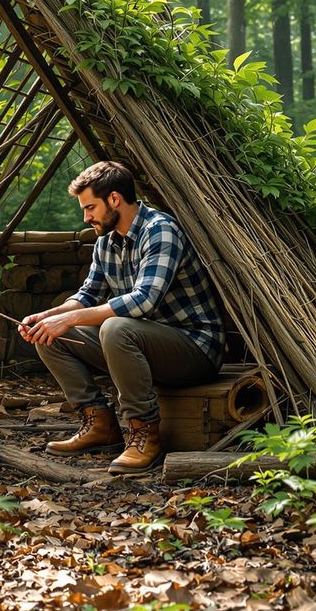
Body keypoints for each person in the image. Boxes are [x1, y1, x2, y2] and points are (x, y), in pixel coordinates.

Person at [18, 161, 225, 475]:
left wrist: (71, 320)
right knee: (51, 336)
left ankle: (144, 434)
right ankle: (100, 426)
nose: (85, 217)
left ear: (114, 199)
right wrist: (49, 317)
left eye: (90, 207)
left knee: (115, 328)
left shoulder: (160, 230)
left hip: (194, 348)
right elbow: (87, 295)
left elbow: (144, 300)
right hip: (143, 344)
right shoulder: (105, 242)